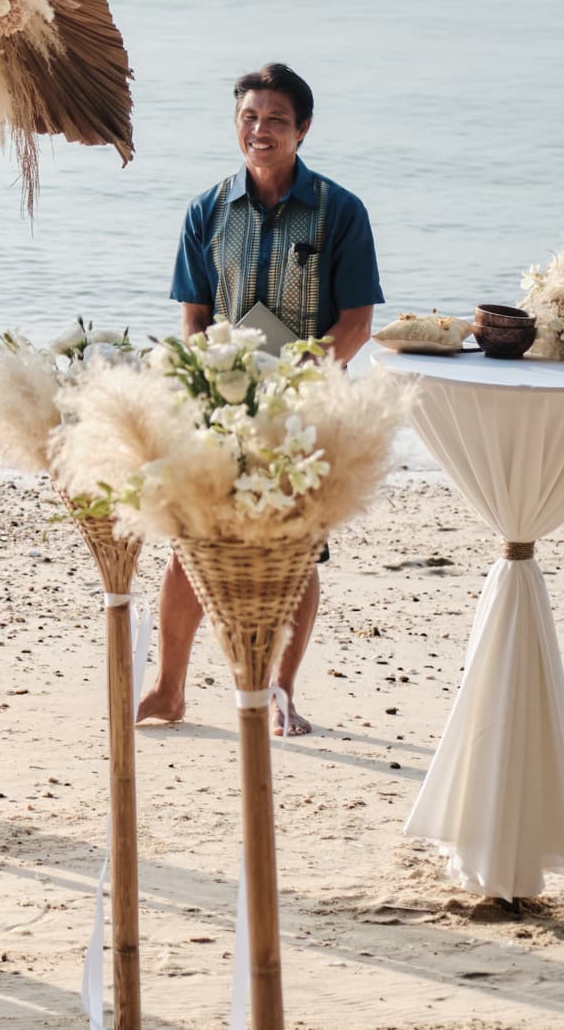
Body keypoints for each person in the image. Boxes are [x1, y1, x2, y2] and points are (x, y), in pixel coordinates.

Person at [138, 61, 383, 737]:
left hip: (306, 412)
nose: (260, 130)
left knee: (296, 552)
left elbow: (357, 324)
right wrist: (208, 382)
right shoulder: (207, 210)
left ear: (303, 128)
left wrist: (295, 385)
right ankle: (168, 689)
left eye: (276, 119)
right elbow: (194, 317)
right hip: (220, 406)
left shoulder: (341, 212)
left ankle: (281, 693)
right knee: (192, 543)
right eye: (249, 117)